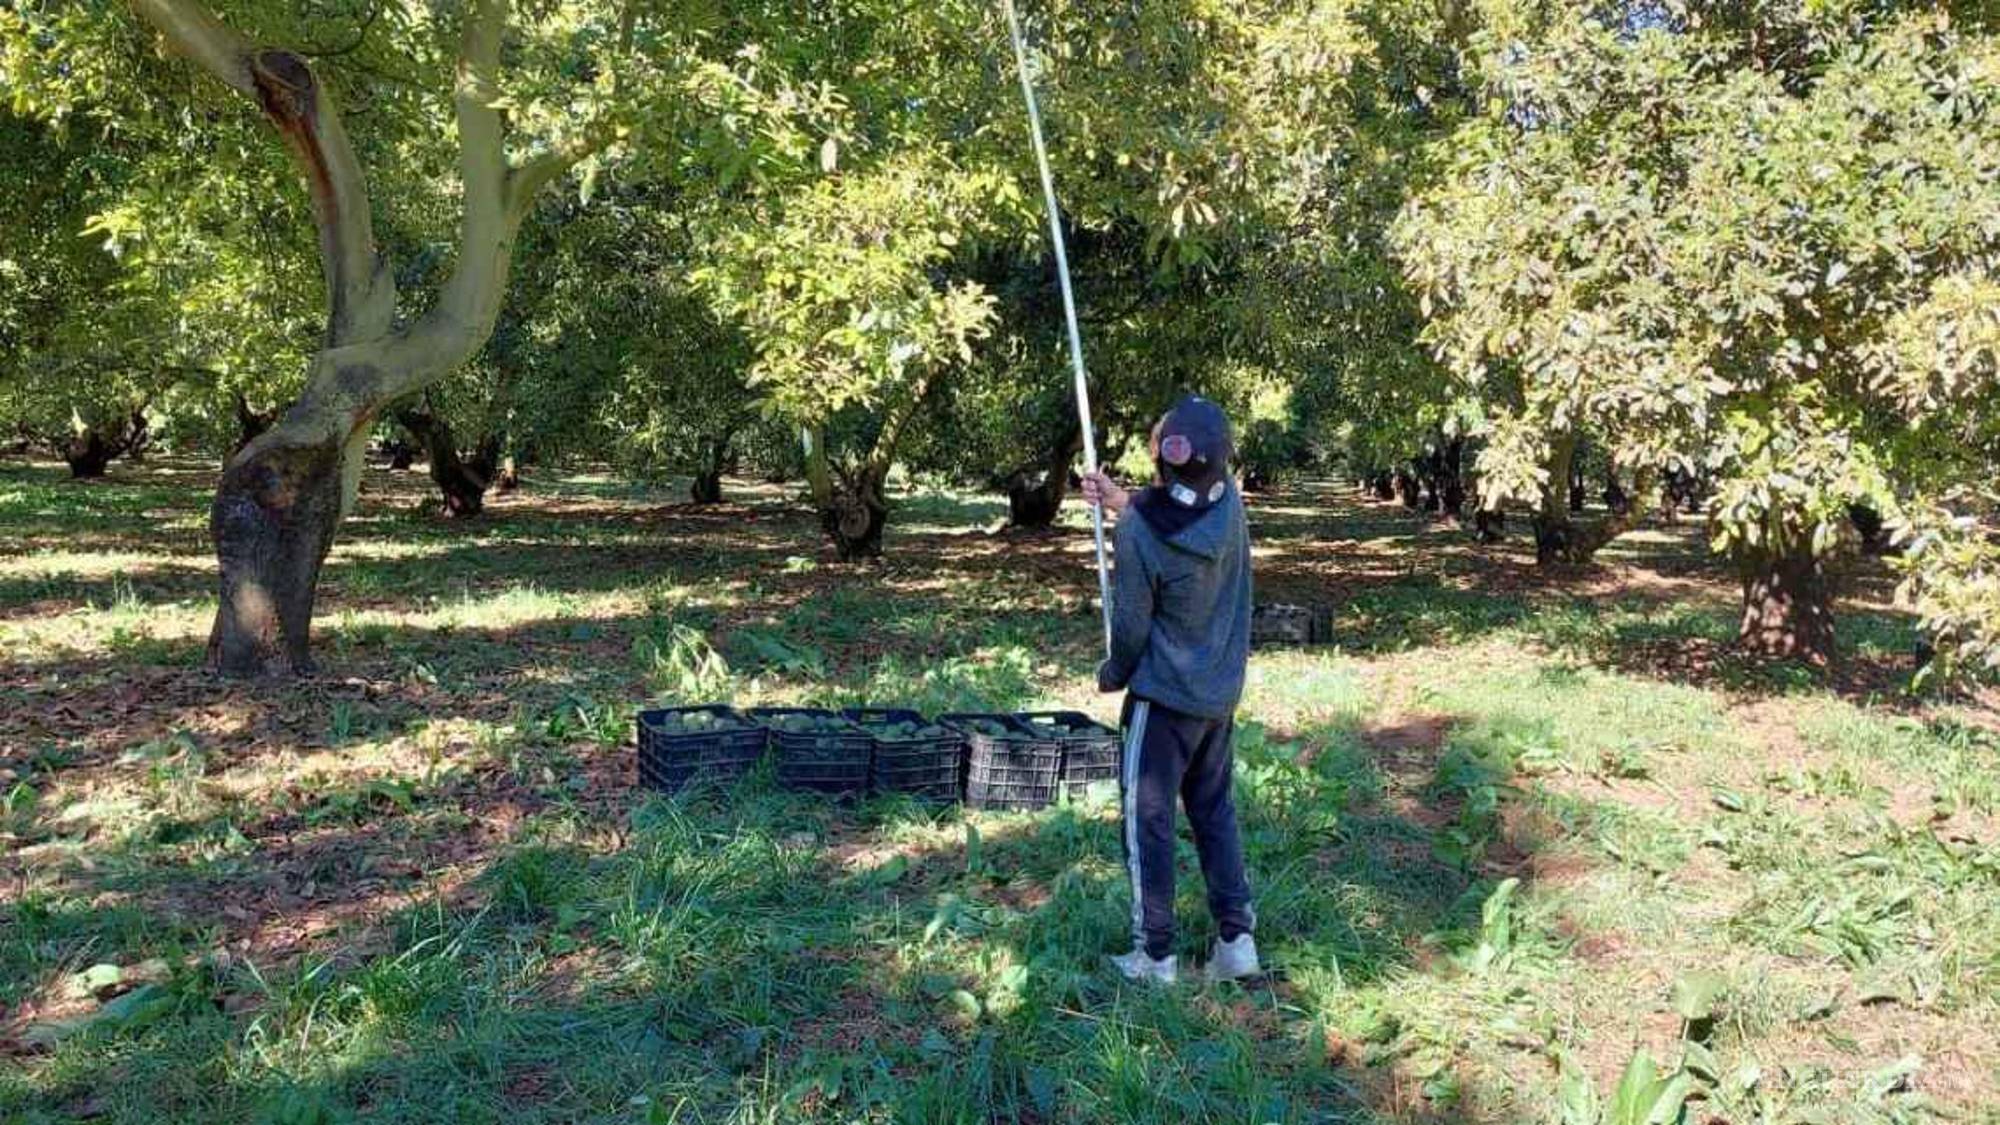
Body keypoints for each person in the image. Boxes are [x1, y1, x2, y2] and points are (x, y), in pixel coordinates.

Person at [1078, 394, 1258, 985]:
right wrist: (1124, 503)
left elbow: (1130, 626)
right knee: (1214, 813)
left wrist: (1113, 673)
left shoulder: (1139, 532)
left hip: (1162, 702)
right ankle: (1237, 945)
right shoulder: (1230, 503)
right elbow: (1182, 518)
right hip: (1216, 698)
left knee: (1147, 820)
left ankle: (1154, 955)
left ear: (1160, 458)